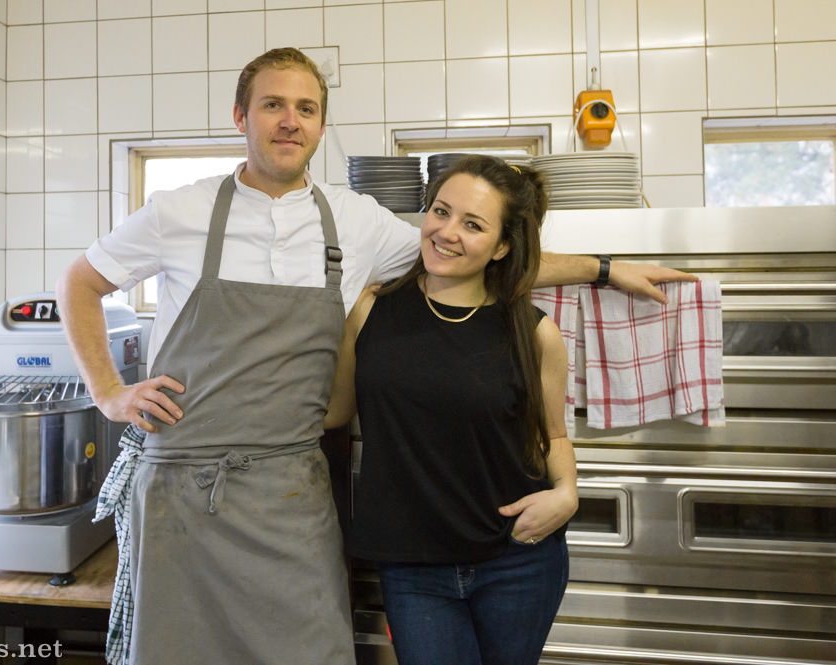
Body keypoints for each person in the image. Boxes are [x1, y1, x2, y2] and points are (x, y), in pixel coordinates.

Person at [56, 47, 693, 665]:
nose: (289, 120)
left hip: (291, 489)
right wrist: (111, 392)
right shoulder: (179, 210)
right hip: (184, 489)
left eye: (306, 108)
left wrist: (602, 269)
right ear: (240, 116)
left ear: (321, 126)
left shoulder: (354, 221)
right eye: (272, 104)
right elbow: (80, 284)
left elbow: (468, 257)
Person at [323, 155, 576, 665]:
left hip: (518, 559)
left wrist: (567, 495)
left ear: (502, 246)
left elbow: (552, 435)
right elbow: (332, 414)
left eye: (473, 224)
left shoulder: (534, 332)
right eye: (440, 211)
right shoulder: (370, 311)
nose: (447, 232)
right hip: (413, 566)